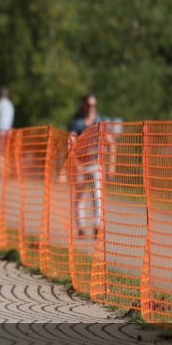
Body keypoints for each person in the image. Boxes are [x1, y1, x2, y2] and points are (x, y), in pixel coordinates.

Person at [67, 93, 106, 238]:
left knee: (97, 196)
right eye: (89, 105)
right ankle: (81, 227)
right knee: (80, 197)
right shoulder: (77, 123)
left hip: (95, 163)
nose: (91, 108)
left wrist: (111, 163)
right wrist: (75, 164)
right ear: (84, 105)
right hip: (80, 164)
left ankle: (97, 226)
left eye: (93, 105)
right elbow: (70, 143)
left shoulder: (99, 121)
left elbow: (109, 140)